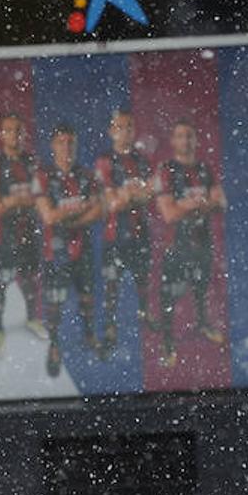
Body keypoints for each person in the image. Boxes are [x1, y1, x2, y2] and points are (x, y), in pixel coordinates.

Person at [153, 120, 227, 367]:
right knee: (169, 297)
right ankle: (168, 344)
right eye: (180, 136)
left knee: (201, 288)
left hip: (201, 242)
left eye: (189, 136)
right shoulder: (166, 170)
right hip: (176, 245)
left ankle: (203, 324)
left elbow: (221, 202)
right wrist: (198, 203)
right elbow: (169, 214)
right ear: (173, 141)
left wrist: (187, 204)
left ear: (196, 140)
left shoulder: (205, 168)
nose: (185, 141)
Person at [34, 124, 103, 378]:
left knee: (87, 296)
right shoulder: (43, 177)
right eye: (61, 143)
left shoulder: (85, 175)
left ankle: (88, 335)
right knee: (55, 302)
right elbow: (49, 216)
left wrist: (71, 218)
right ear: (53, 146)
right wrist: (80, 207)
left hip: (82, 249)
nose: (66, 148)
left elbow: (98, 210)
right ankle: (54, 345)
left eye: (70, 143)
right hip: (56, 251)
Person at [95, 108, 159, 358]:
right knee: (112, 284)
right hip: (114, 235)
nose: (126, 131)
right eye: (120, 127)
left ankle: (144, 314)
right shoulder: (105, 161)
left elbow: (150, 194)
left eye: (130, 126)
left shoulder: (142, 160)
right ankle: (110, 329)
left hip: (139, 231)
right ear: (112, 131)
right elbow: (112, 203)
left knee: (143, 278)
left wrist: (129, 194)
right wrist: (134, 194)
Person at [0, 112, 45, 356]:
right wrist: (20, 200)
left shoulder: (32, 162)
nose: (14, 135)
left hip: (29, 232)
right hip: (5, 235)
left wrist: (12, 200)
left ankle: (30, 318)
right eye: (8, 130)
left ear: (23, 134)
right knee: (2, 283)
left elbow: (41, 199)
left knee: (30, 279)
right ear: (1, 134)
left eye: (18, 130)